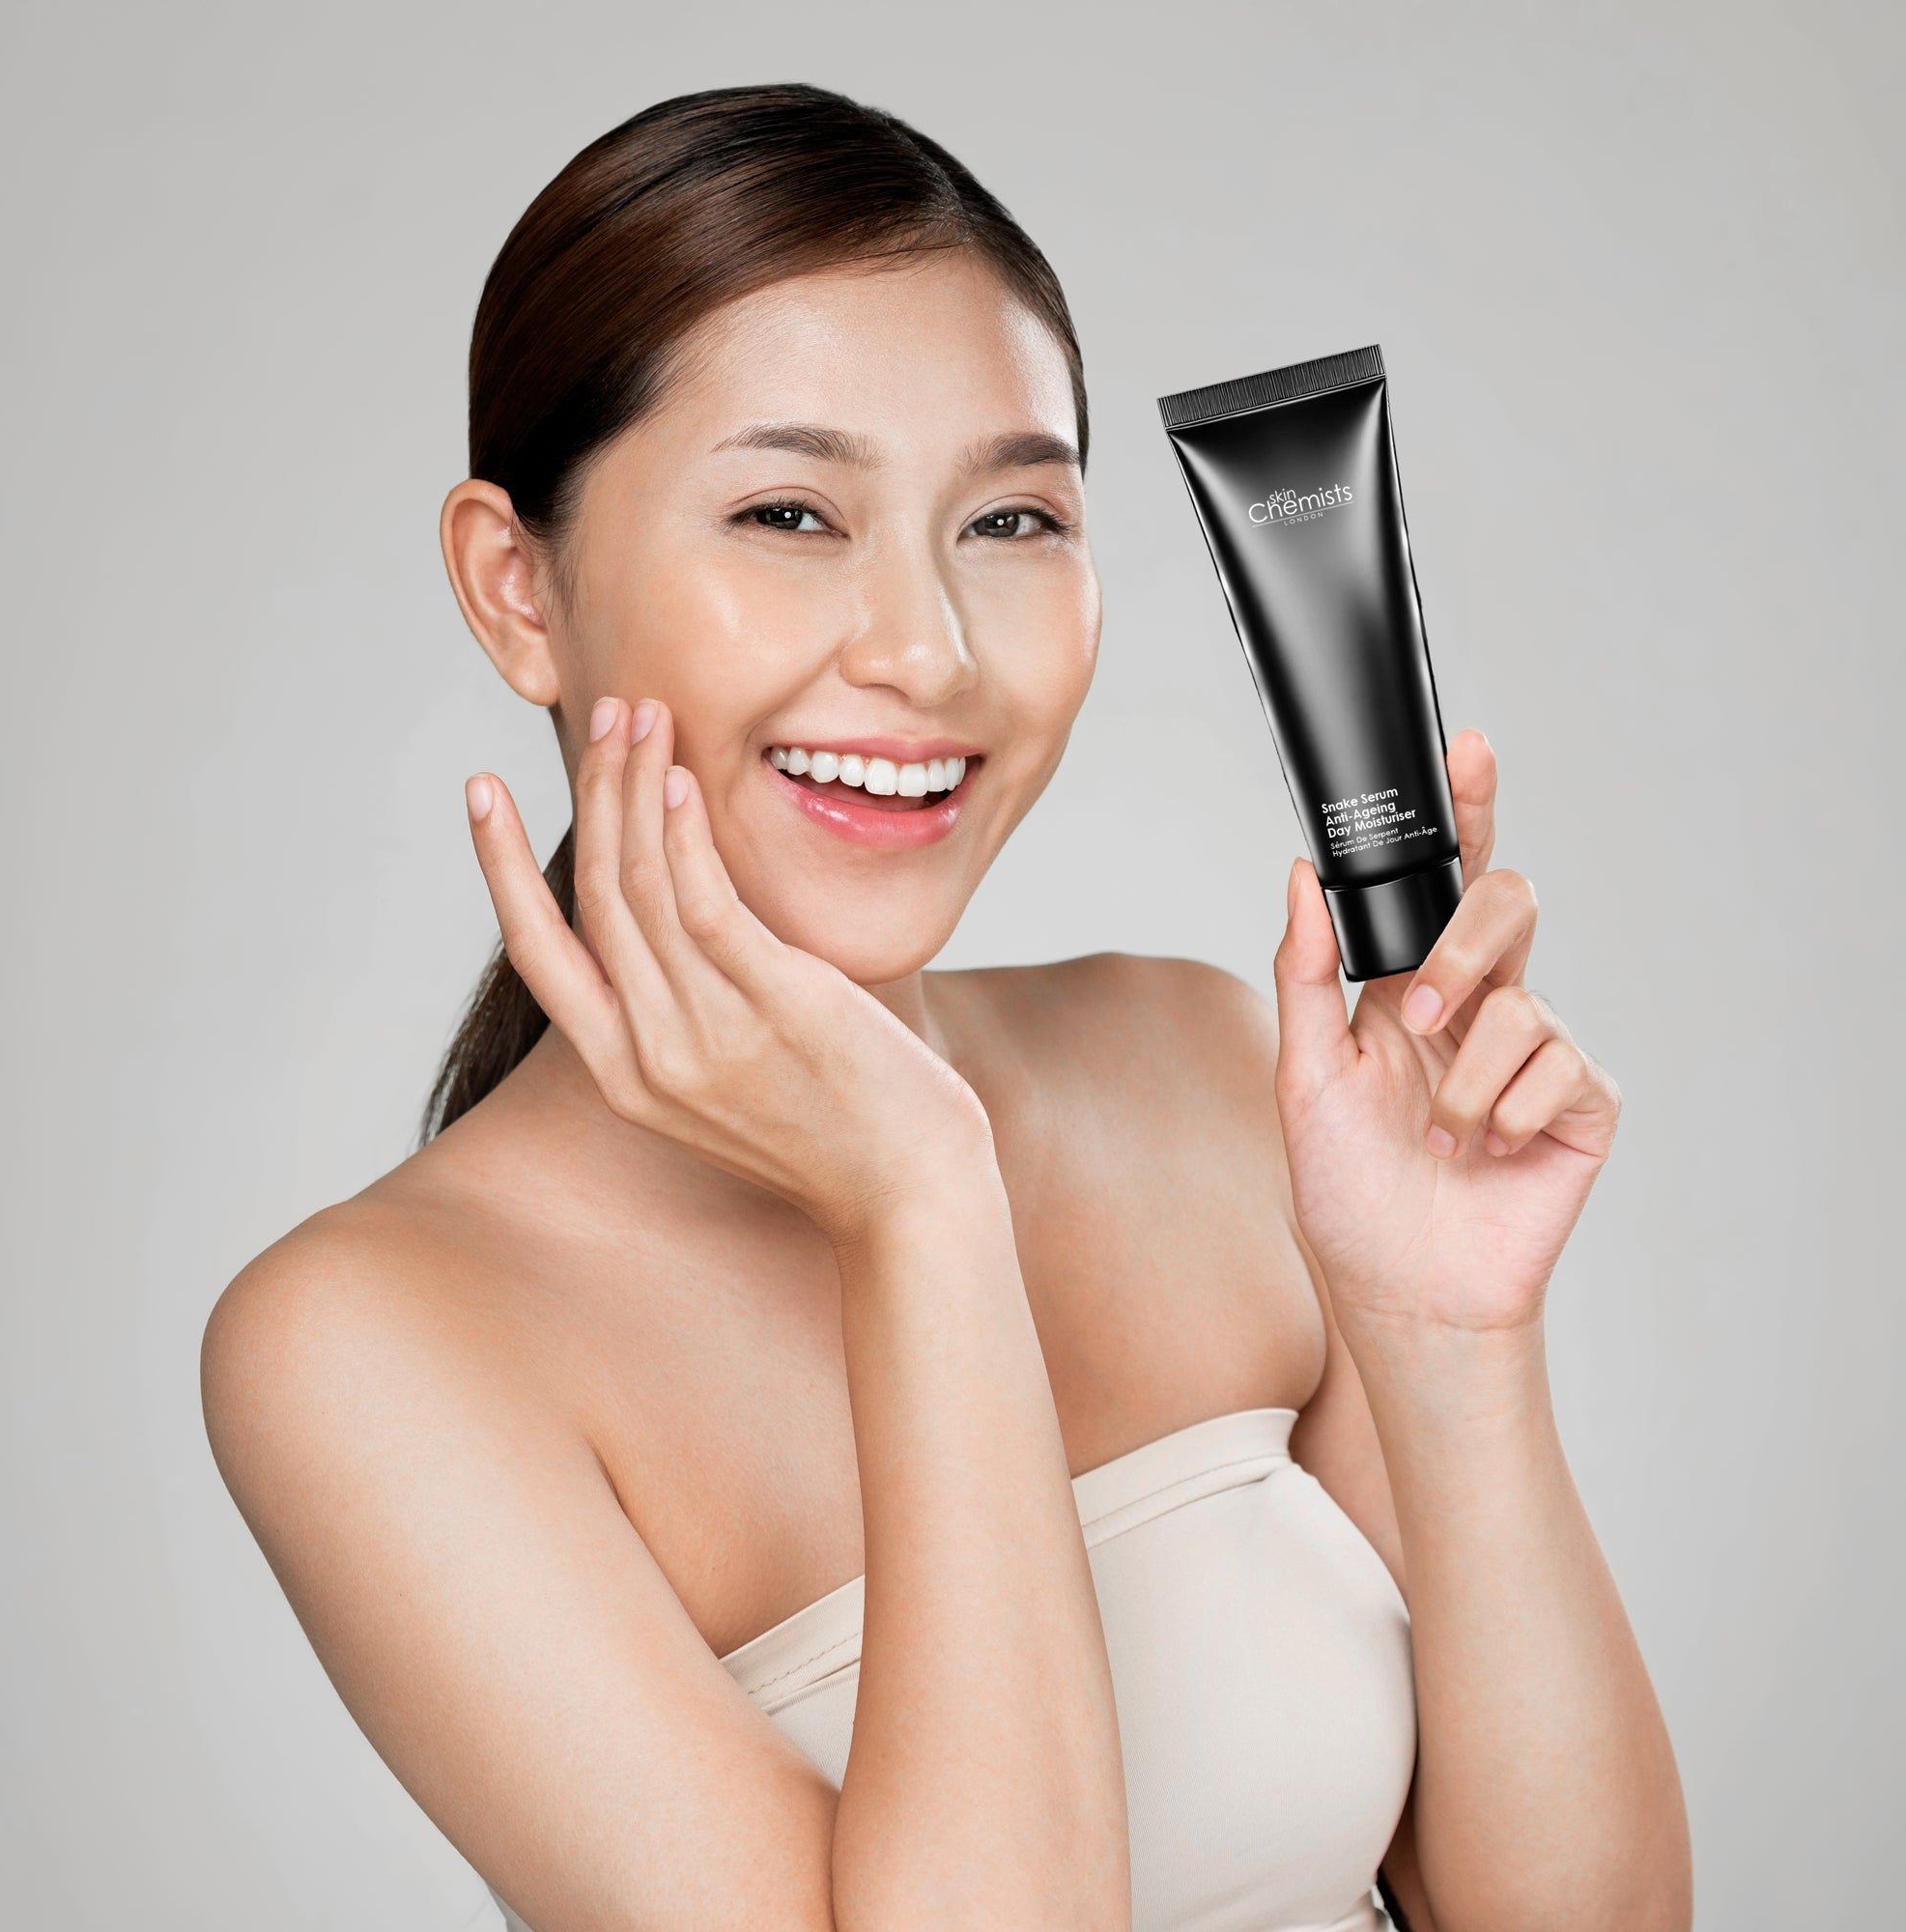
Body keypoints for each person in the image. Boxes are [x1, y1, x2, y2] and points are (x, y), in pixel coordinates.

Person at [201, 82, 1693, 1932]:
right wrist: (922, 1206)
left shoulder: (1196, 1062)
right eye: (789, 510)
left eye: (1010, 521)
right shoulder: (368, 1344)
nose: (927, 651)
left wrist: (1452, 1339)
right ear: (519, 588)